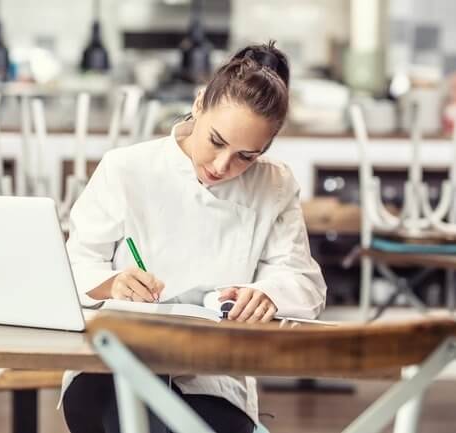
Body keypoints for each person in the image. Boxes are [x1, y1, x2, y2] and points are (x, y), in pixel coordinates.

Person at [62, 41, 327, 433]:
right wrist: (112, 283)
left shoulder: (274, 183)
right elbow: (72, 266)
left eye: (246, 156)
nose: (223, 165)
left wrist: (269, 293)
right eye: (217, 142)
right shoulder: (126, 169)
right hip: (112, 367)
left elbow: (304, 283)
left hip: (213, 379)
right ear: (200, 103)